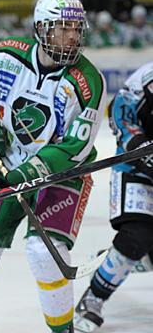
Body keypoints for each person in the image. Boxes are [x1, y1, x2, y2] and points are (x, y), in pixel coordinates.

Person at [0, 0, 107, 333]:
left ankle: (63, 330)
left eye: (76, 29)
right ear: (40, 29)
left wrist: (28, 173)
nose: (72, 37)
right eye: (62, 29)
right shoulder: (6, 55)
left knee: (44, 254)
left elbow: (75, 147)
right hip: (7, 164)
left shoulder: (88, 81)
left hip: (63, 177)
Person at [74, 61, 153, 332]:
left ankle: (125, 257)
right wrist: (139, 146)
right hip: (138, 168)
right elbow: (120, 110)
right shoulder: (147, 78)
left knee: (140, 246)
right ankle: (94, 297)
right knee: (137, 236)